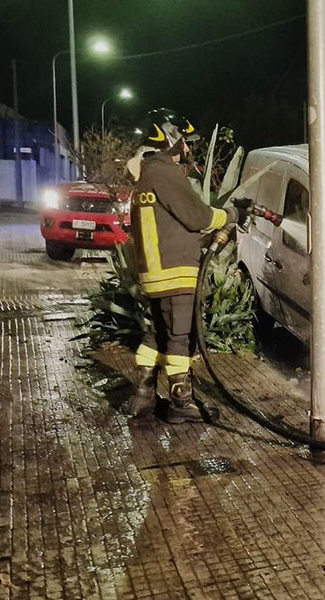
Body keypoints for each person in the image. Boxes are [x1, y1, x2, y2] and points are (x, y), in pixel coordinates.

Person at [123, 108, 246, 424]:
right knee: (180, 338)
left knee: (158, 336)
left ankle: (143, 396)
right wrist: (230, 215)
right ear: (169, 137)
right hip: (175, 272)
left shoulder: (145, 175)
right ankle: (181, 404)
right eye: (184, 142)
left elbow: (171, 225)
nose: (187, 149)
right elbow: (199, 217)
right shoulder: (164, 172)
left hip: (155, 272)